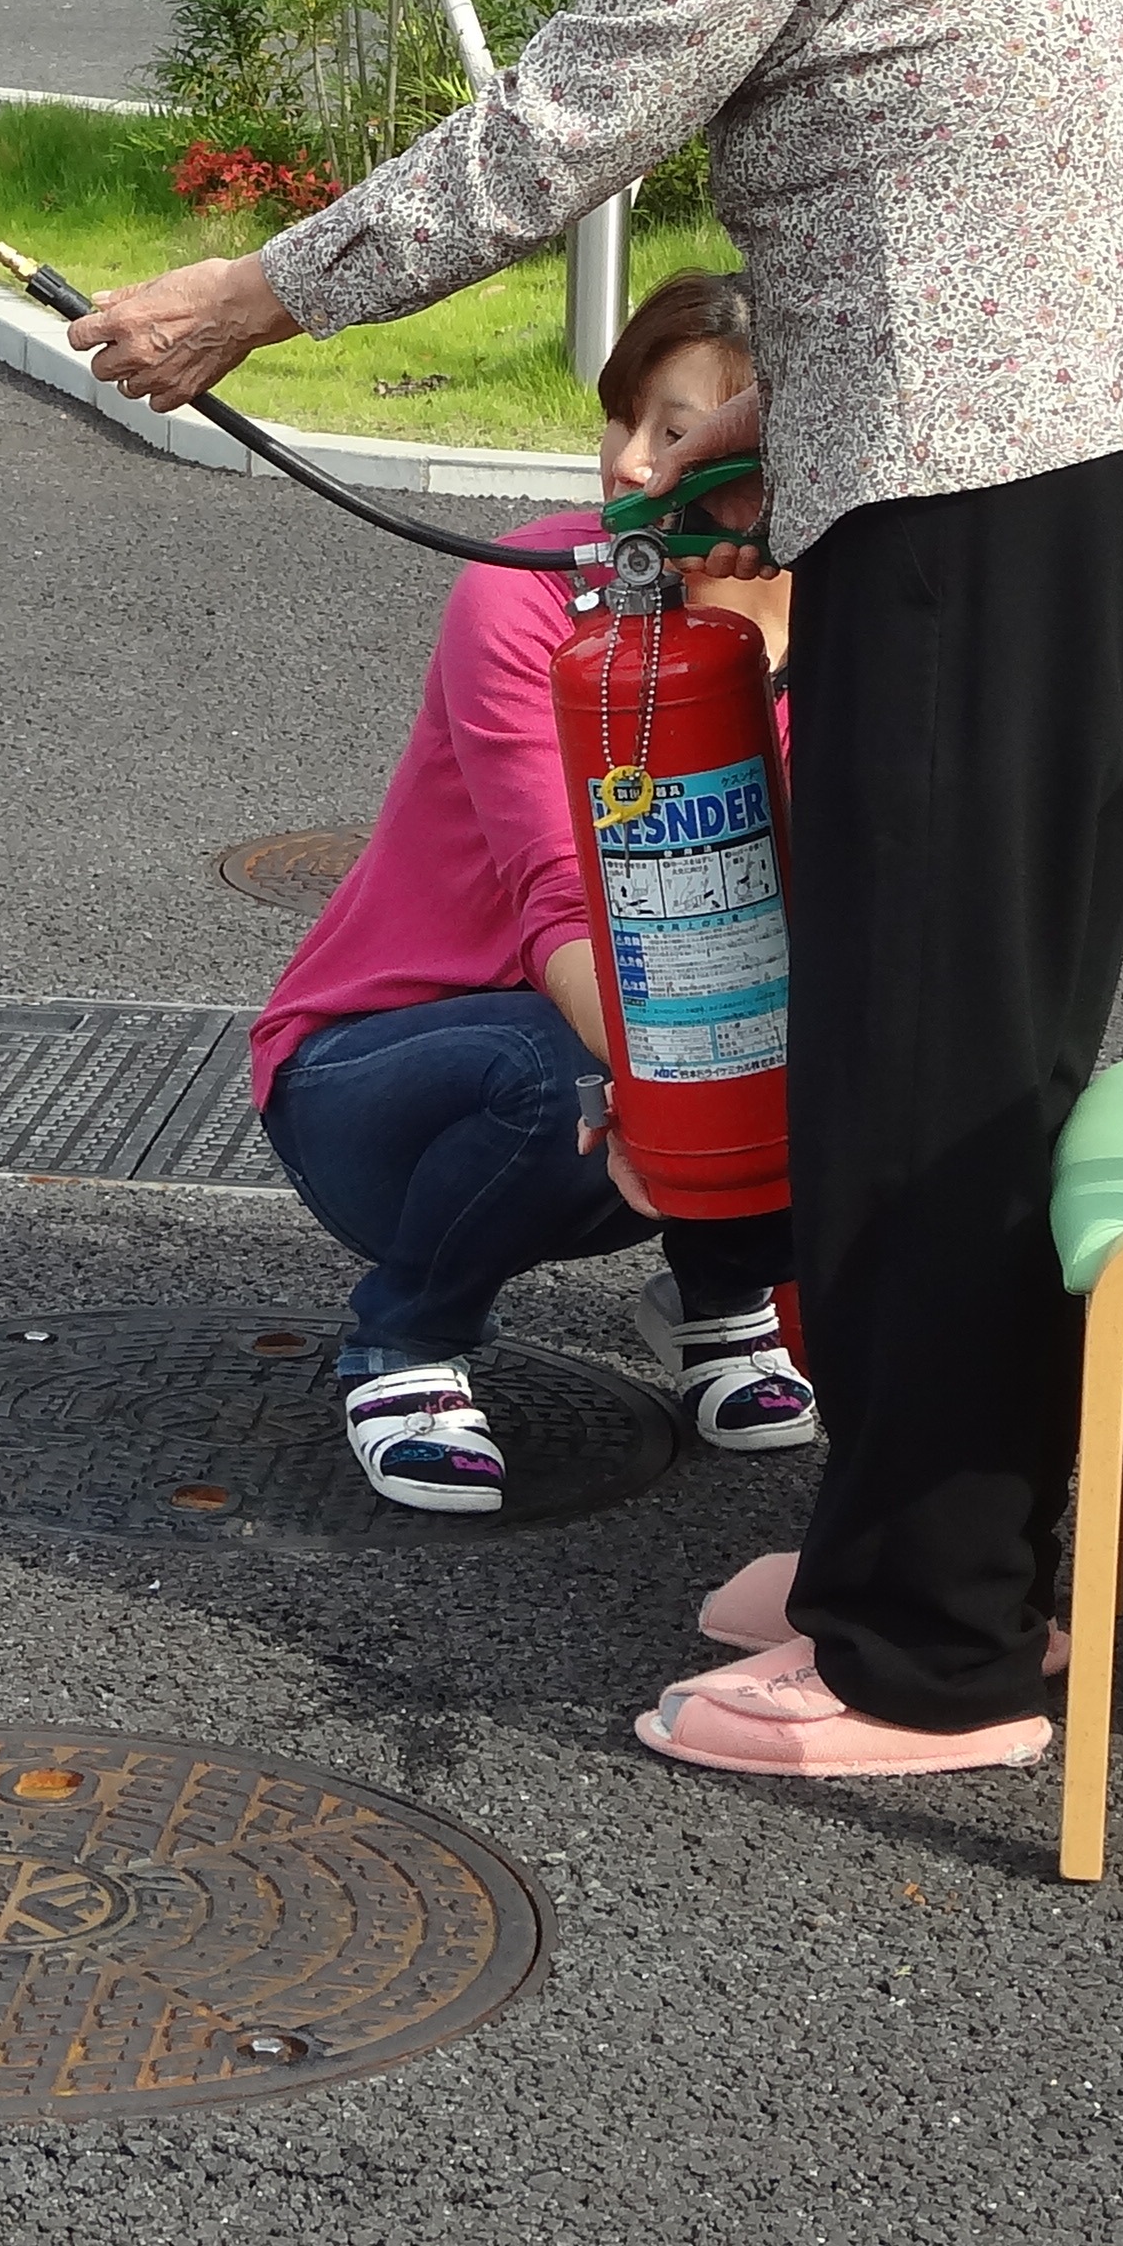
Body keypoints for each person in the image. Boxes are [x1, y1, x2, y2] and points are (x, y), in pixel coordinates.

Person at [69, 0, 1123, 1777]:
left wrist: (254, 293)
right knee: (984, 1050)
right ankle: (940, 1542)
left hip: (982, 496)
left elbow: (560, 132)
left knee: (915, 1071)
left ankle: (937, 1655)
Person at [254, 272, 815, 1514]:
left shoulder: (859, 634)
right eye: (625, 417)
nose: (630, 464)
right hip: (392, 1079)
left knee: (834, 1029)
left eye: (679, 435)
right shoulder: (527, 593)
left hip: (643, 1077)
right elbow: (558, 893)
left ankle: (720, 1301)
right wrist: (677, 1088)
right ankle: (406, 1335)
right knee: (570, 1065)